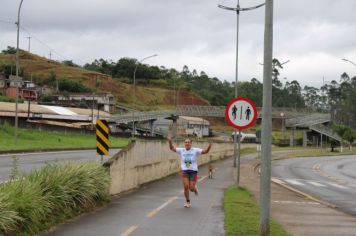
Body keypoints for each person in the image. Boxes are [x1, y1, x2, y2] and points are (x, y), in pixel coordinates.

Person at [168, 137, 212, 208]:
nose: (187, 143)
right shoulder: (181, 150)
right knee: (186, 187)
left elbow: (205, 151)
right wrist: (170, 141)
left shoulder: (195, 150)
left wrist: (209, 146)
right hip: (185, 171)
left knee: (191, 188)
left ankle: (194, 189)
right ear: (184, 143)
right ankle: (188, 202)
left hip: (193, 171)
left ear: (191, 143)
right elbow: (171, 148)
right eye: (186, 142)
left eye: (188, 142)